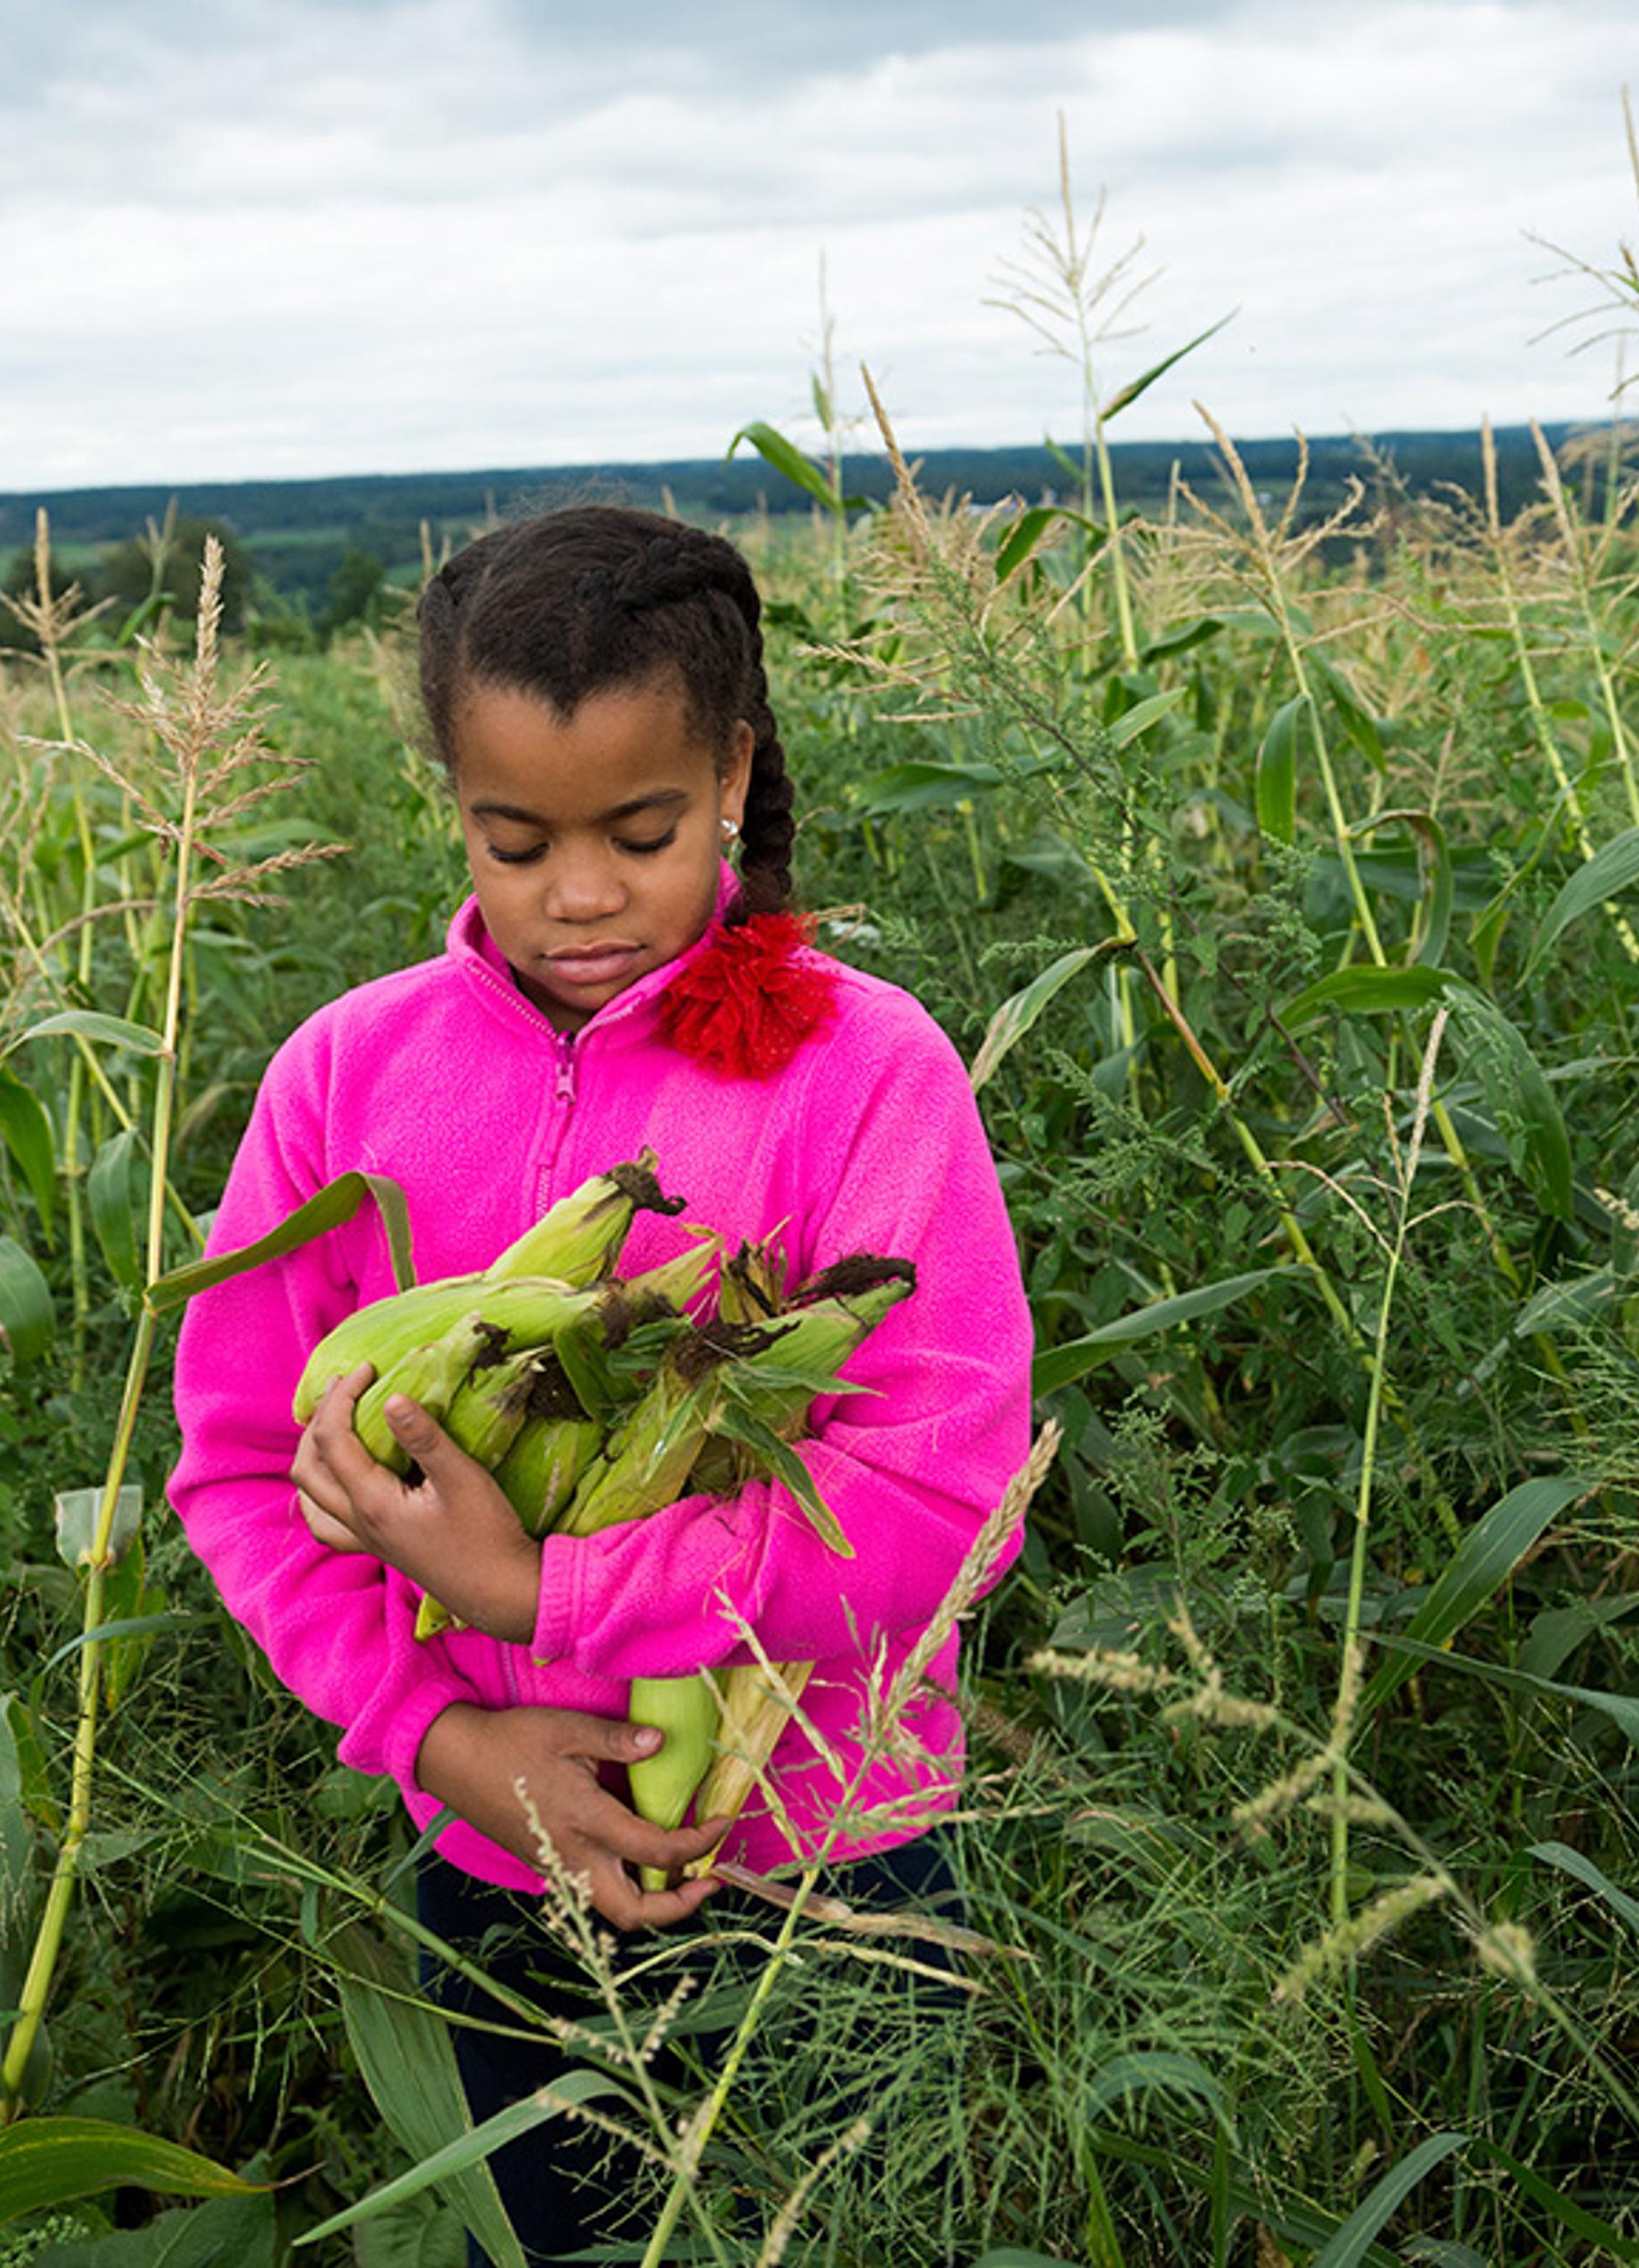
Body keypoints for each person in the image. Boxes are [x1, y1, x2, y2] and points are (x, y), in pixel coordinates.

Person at [168, 503, 1032, 2256]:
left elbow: (946, 1510)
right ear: (453, 807)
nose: (577, 896)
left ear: (733, 770)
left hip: (831, 1867)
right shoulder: (344, 1080)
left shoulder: (865, 1074)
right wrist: (439, 1731)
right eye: (513, 838)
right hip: (500, 1869)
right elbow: (245, 1466)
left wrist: (534, 1588)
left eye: (640, 834)